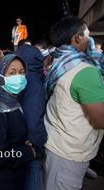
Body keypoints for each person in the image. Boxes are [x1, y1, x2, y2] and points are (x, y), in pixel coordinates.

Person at [44, 16, 104, 190]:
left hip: (57, 140)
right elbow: (100, 119)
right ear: (77, 37)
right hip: (68, 153)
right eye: (88, 35)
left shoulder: (58, 60)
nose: (91, 40)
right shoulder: (85, 72)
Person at [0, 54, 36, 190]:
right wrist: (27, 152)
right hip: (1, 180)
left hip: (12, 174)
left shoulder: (11, 100)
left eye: (22, 72)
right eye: (12, 73)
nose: (18, 77)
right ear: (0, 77)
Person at [17, 39, 47, 190]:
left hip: (22, 139)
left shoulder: (22, 79)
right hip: (31, 142)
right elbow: (33, 117)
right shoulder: (34, 83)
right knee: (33, 177)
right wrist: (34, 142)